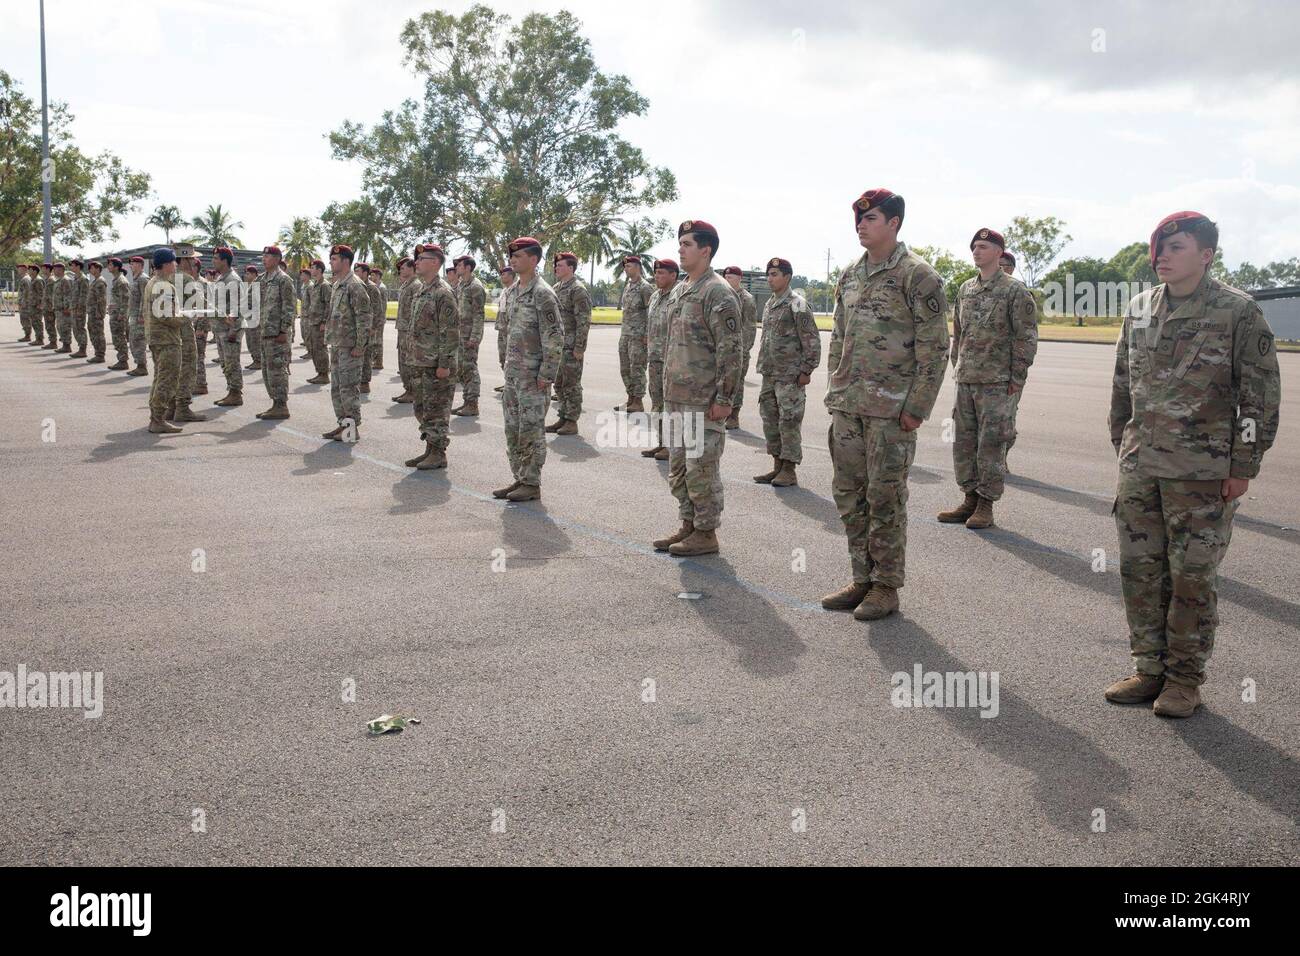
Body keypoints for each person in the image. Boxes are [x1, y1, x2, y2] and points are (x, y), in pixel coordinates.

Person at [1104, 211, 1281, 718]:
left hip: (1202, 475)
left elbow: (1260, 397)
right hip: (1142, 468)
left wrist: (1242, 465)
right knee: (1141, 572)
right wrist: (1124, 444)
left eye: (1175, 246)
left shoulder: (1237, 312)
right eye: (1158, 246)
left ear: (1206, 255)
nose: (1161, 255)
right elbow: (1122, 384)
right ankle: (1149, 668)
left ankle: (1184, 680)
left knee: (1191, 580)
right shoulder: (1139, 308)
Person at [821, 188, 949, 621]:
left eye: (870, 218)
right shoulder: (850, 275)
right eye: (858, 219)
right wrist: (835, 388)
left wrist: (918, 406)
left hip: (892, 412)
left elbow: (935, 348)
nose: (861, 225)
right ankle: (862, 577)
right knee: (848, 495)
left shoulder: (918, 276)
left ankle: (886, 586)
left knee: (885, 498)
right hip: (849, 405)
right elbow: (839, 337)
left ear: (894, 223)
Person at [651, 220, 741, 557]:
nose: (680, 249)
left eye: (687, 244)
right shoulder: (681, 288)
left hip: (703, 401)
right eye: (680, 243)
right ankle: (687, 525)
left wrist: (725, 398)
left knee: (700, 468)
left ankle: (706, 533)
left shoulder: (717, 291)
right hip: (676, 398)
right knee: (679, 469)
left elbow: (731, 350)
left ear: (706, 250)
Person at [937, 228, 1038, 529]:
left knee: (992, 443)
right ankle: (969, 497)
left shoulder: (1015, 291)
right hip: (967, 378)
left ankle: (986, 505)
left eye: (983, 247)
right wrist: (958, 366)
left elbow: (1027, 338)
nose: (976, 252)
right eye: (974, 247)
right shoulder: (966, 289)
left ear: (998, 252)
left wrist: (1017, 377)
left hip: (997, 381)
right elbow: (959, 333)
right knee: (964, 442)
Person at [492, 237, 562, 501]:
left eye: (518, 255)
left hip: (533, 377)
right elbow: (508, 332)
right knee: (513, 429)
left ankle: (531, 483)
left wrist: (547, 374)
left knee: (531, 430)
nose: (513, 259)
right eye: (511, 255)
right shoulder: (510, 292)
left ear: (533, 260)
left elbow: (555, 337)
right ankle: (519, 477)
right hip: (513, 374)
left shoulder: (543, 294)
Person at [753, 257, 820, 487]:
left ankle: (789, 470)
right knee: (770, 420)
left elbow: (811, 339)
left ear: (787, 277)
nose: (770, 278)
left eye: (775, 274)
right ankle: (777, 466)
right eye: (768, 274)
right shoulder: (771, 303)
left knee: (789, 421)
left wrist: (807, 369)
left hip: (790, 375)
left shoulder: (798, 303)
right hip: (770, 373)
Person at [405, 244, 460, 470]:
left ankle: (438, 453)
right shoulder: (422, 290)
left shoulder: (443, 293)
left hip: (436, 364)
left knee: (436, 411)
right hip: (420, 361)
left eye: (422, 258)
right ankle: (430, 448)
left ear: (435, 263)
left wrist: (444, 364)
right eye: (416, 259)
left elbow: (450, 331)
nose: (416, 262)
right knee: (422, 409)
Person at [323, 244, 371, 441]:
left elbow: (364, 318)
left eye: (334, 259)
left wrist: (360, 346)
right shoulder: (337, 284)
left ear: (345, 261)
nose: (331, 262)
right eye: (331, 259)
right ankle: (343, 424)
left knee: (348, 388)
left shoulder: (355, 285)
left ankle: (352, 428)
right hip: (338, 343)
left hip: (351, 347)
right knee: (337, 387)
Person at [545, 251, 591, 435]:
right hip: (557, 346)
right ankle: (562, 417)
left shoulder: (578, 289)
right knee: (559, 384)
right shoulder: (557, 287)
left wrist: (580, 347)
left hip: (571, 346)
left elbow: (584, 320)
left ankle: (572, 421)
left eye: (560, 265)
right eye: (556, 265)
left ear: (570, 268)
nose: (556, 268)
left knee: (571, 384)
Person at [640, 257, 680, 460]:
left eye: (662, 273)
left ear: (673, 275)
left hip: (672, 359)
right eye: (656, 273)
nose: (657, 276)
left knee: (671, 404)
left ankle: (672, 446)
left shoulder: (680, 295)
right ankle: (662, 442)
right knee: (657, 402)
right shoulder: (655, 296)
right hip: (655, 358)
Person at [142, 247, 185, 433]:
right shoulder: (164, 286)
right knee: (167, 380)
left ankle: (156, 416)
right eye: (174, 262)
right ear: (166, 264)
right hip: (167, 340)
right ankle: (158, 419)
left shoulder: (153, 282)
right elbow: (167, 316)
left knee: (160, 378)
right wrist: (187, 317)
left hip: (157, 338)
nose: (176, 266)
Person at [255, 245, 295, 420]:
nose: (264, 259)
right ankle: (275, 403)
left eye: (268, 256)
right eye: (263, 256)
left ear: (277, 259)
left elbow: (289, 307)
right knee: (267, 371)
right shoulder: (262, 279)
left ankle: (281, 405)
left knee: (277, 370)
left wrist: (284, 330)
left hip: (277, 334)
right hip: (265, 332)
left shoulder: (283, 280)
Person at [721, 265, 758, 429]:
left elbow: (749, 327)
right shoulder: (722, 296)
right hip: (721, 349)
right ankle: (722, 412)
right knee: (721, 382)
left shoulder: (746, 299)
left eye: (731, 277)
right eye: (726, 277)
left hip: (739, 350)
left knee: (736, 383)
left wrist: (743, 350)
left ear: (739, 279)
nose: (728, 280)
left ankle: (734, 415)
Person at [616, 256, 653, 413]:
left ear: (638, 267)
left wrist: (646, 335)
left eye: (629, 266)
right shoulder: (628, 286)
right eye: (625, 266)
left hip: (639, 336)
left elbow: (651, 313)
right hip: (626, 334)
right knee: (625, 368)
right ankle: (630, 399)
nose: (626, 269)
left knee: (637, 368)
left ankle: (638, 401)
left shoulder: (645, 288)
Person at [452, 256, 487, 417]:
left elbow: (479, 315)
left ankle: (473, 404)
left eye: (459, 265)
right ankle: (467, 401)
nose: (456, 268)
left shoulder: (475, 287)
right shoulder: (461, 285)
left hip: (469, 335)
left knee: (470, 368)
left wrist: (475, 337)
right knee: (462, 368)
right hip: (459, 334)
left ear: (467, 267)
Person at [212, 248, 245, 406]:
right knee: (225, 362)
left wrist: (234, 329)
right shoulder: (221, 278)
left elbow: (238, 306)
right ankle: (231, 391)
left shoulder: (232, 279)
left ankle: (236, 394)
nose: (214, 261)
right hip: (220, 328)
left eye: (216, 258)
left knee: (232, 362)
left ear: (225, 261)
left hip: (229, 329)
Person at [106, 258, 131, 369]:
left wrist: (122, 314)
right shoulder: (116, 280)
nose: (108, 267)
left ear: (116, 267)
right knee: (116, 337)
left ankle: (123, 361)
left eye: (110, 265)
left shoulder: (121, 281)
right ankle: (121, 360)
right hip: (115, 313)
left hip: (119, 315)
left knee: (120, 337)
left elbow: (125, 299)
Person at [494, 265, 515, 393]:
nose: (502, 276)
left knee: (511, 358)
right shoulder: (504, 291)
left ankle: (512, 384)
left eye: (504, 274)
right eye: (501, 274)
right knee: (502, 357)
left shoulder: (515, 291)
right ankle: (507, 382)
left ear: (511, 276)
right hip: (502, 330)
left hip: (510, 331)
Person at [126, 257, 149, 373]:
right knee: (133, 340)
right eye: (130, 264)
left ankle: (142, 366)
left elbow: (145, 299)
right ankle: (139, 365)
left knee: (138, 340)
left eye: (133, 264)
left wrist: (141, 315)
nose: (131, 266)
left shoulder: (143, 279)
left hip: (139, 316)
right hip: (134, 315)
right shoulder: (136, 279)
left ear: (140, 265)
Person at [85, 261, 109, 363]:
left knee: (98, 333)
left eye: (92, 268)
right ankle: (97, 353)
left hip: (96, 313)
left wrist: (100, 312)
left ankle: (100, 355)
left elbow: (101, 299)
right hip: (92, 312)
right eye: (90, 268)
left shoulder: (100, 281)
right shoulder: (95, 281)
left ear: (98, 269)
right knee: (93, 332)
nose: (90, 270)